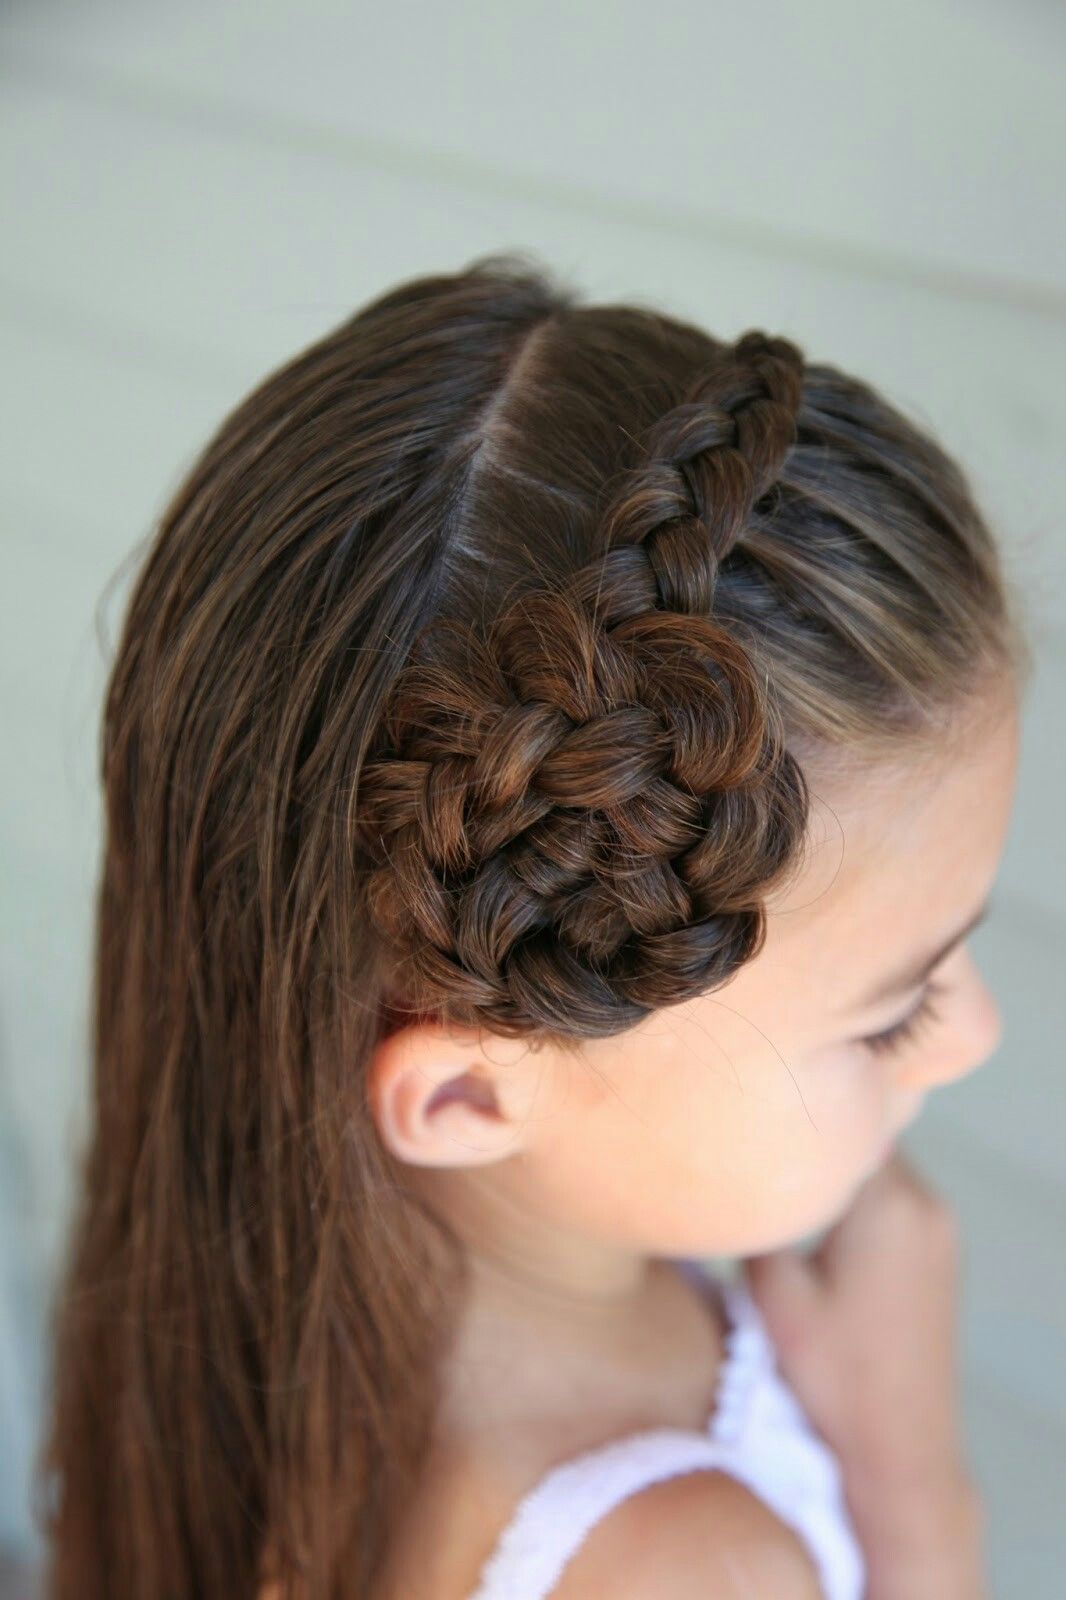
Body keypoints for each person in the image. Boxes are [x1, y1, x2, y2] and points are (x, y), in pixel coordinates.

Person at [37, 252, 1030, 1600]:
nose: (973, 1035)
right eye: (893, 1014)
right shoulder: (684, 1572)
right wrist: (912, 1486)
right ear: (467, 1095)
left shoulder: (240, 1359)